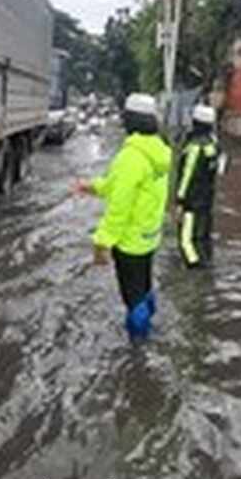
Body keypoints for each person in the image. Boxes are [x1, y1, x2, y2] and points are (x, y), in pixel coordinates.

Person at [74, 93, 172, 341]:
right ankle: (149, 325)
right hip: (149, 237)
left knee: (132, 296)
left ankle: (139, 345)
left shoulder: (131, 156)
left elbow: (119, 206)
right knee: (144, 286)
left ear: (130, 120)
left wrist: (102, 241)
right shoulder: (158, 152)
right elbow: (118, 186)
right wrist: (92, 187)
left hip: (129, 243)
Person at [175, 105, 220, 268]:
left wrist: (180, 200)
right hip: (207, 198)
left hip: (192, 201)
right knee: (204, 235)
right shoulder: (213, 144)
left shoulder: (195, 146)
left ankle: (194, 268)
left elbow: (187, 175)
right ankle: (207, 261)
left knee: (186, 239)